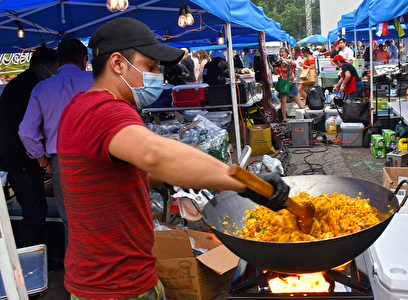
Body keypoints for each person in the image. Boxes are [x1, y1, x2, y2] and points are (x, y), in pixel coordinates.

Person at [57, 17, 289, 300]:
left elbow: (137, 171)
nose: (158, 76)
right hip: (114, 287)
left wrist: (181, 178)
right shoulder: (103, 110)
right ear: (117, 63)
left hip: (123, 274)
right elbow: (154, 155)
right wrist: (244, 182)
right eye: (150, 67)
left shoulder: (85, 107)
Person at [18, 38, 93, 248]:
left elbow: (26, 132)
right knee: (104, 218)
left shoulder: (41, 89)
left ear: (58, 62)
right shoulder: (97, 80)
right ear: (84, 59)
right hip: (99, 157)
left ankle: (80, 277)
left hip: (63, 162)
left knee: (73, 224)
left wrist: (43, 161)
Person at [0, 46, 58, 248]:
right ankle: (26, 264)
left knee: (34, 210)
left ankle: (35, 257)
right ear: (43, 67)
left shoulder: (23, 84)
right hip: (20, 159)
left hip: (17, 158)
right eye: (54, 68)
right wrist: (41, 159)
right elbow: (26, 131)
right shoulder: (31, 87)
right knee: (34, 213)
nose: (55, 73)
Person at [274, 47, 305, 122]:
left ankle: (305, 113)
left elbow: (294, 64)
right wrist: (274, 66)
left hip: (291, 82)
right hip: (283, 83)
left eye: (283, 52)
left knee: (297, 99)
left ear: (287, 53)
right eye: (280, 52)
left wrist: (284, 60)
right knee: (283, 101)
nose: (281, 53)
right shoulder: (278, 62)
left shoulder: (290, 61)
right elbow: (276, 72)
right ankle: (284, 118)